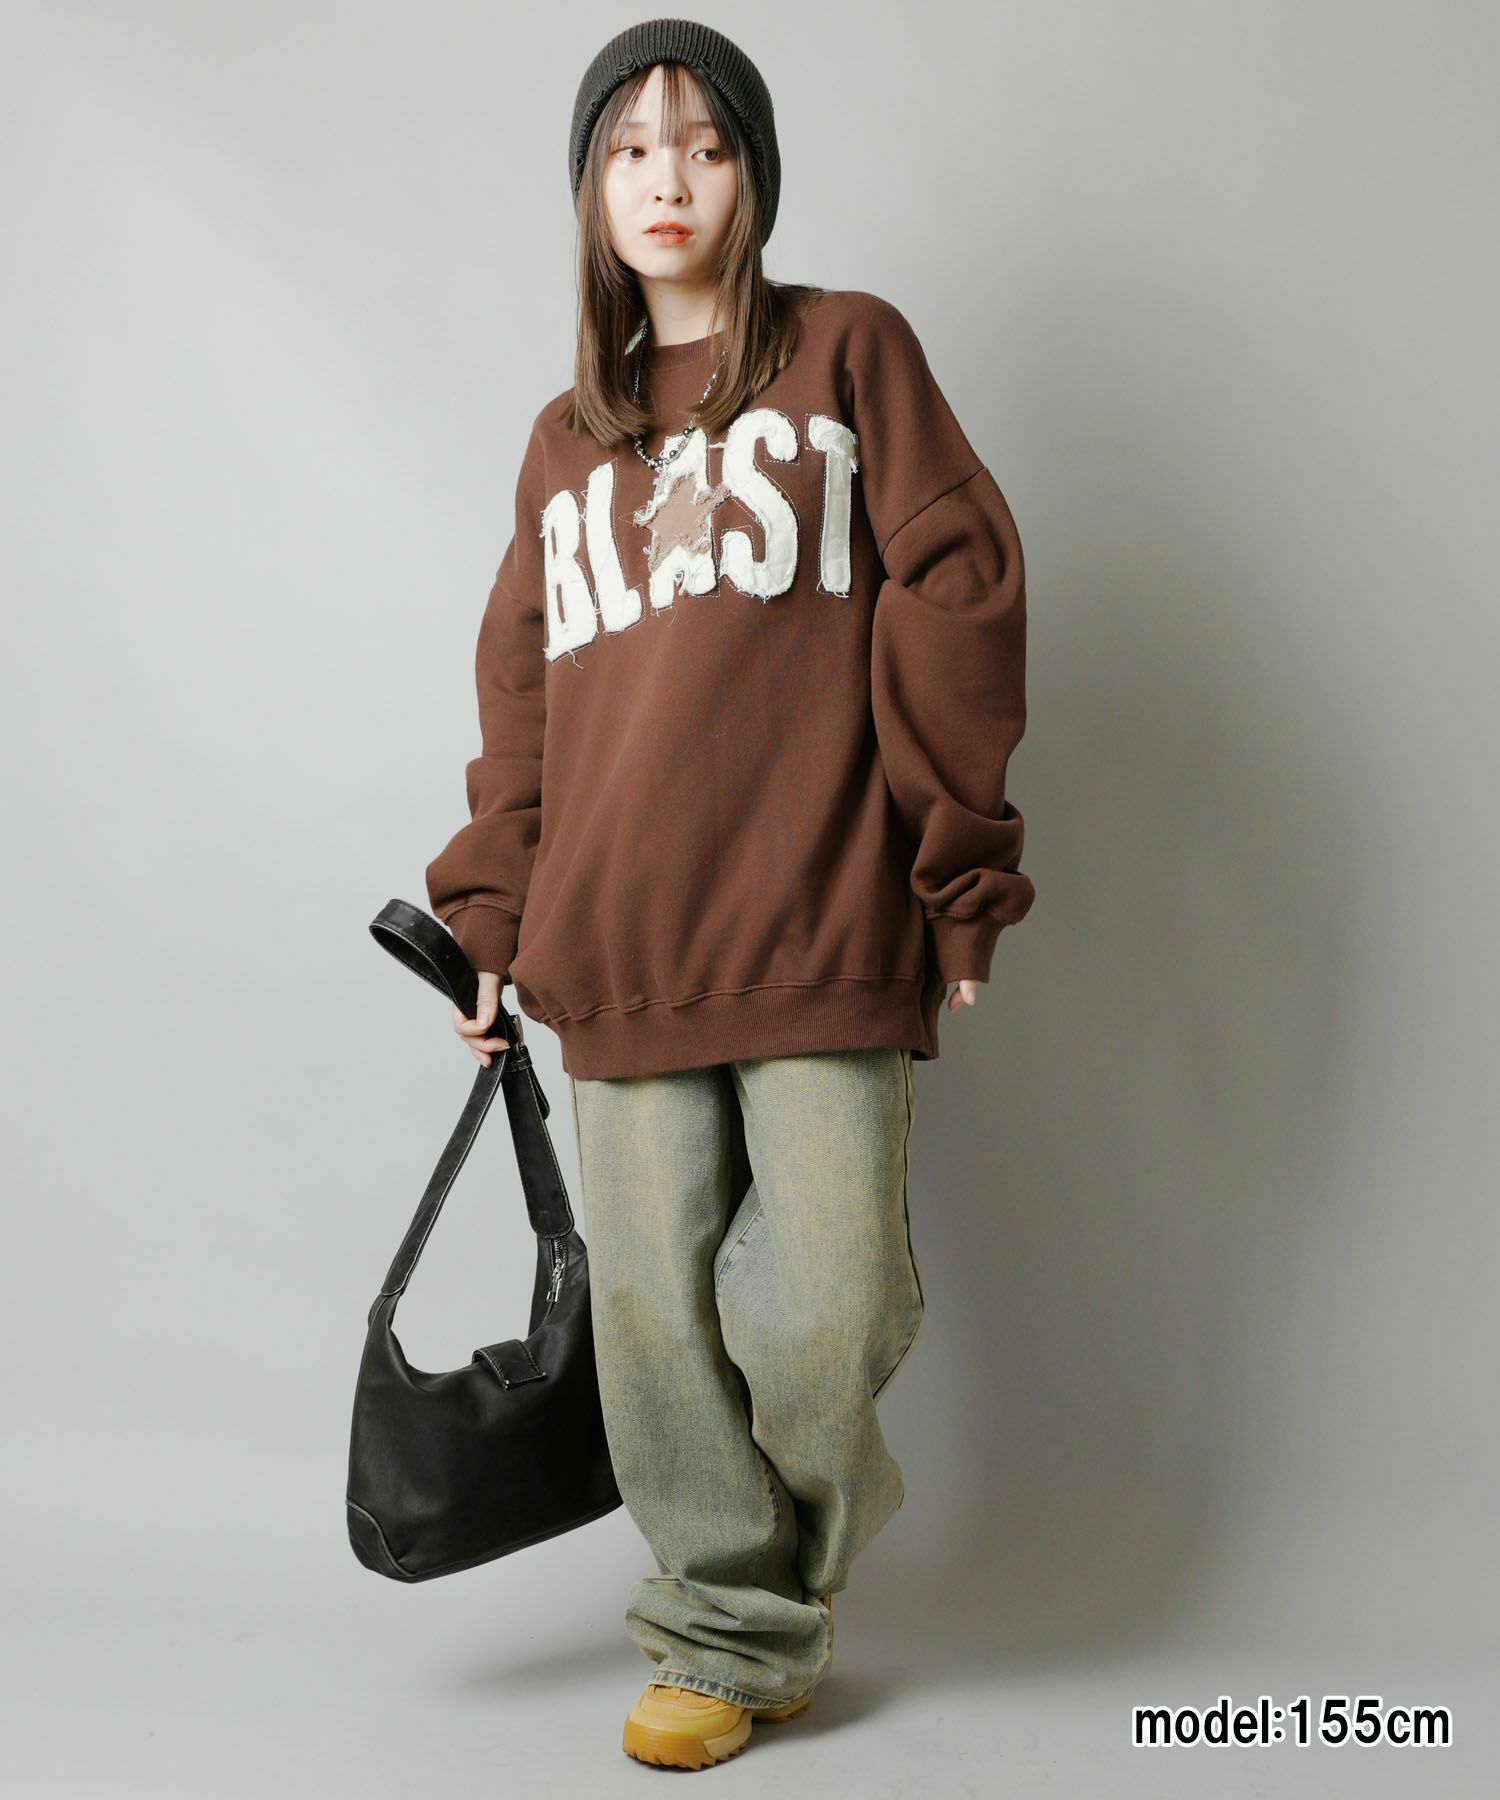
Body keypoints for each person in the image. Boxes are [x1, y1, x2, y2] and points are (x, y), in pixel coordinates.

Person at [424, 16, 1036, 1772]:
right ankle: (724, 1629)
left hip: (824, 916)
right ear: (590, 192)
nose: (667, 180)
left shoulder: (852, 354)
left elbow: (961, 591)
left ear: (752, 175)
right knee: (652, 1328)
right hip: (616, 946)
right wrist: (489, 922)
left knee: (830, 1309)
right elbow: (523, 703)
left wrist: (959, 870)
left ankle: (778, 1584)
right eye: (629, 149)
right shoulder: (564, 442)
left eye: (703, 144)